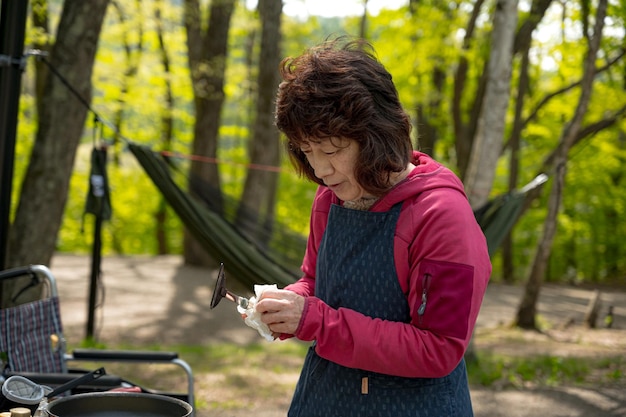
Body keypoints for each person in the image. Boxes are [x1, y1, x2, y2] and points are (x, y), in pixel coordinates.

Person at [255, 37, 491, 417]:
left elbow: (439, 348)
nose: (319, 170)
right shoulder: (329, 198)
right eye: (307, 151)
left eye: (331, 150)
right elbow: (317, 282)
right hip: (323, 399)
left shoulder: (442, 215)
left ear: (376, 135)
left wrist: (316, 321)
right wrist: (289, 306)